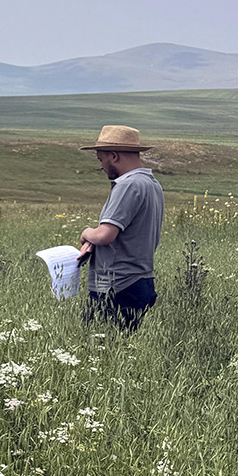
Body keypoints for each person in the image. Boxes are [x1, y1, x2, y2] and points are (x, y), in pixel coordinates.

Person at [77, 125, 162, 329]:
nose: (101, 167)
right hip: (140, 280)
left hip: (117, 284)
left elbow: (105, 235)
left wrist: (87, 233)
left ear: (114, 156)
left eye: (101, 160)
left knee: (98, 344)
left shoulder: (127, 185)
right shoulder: (151, 184)